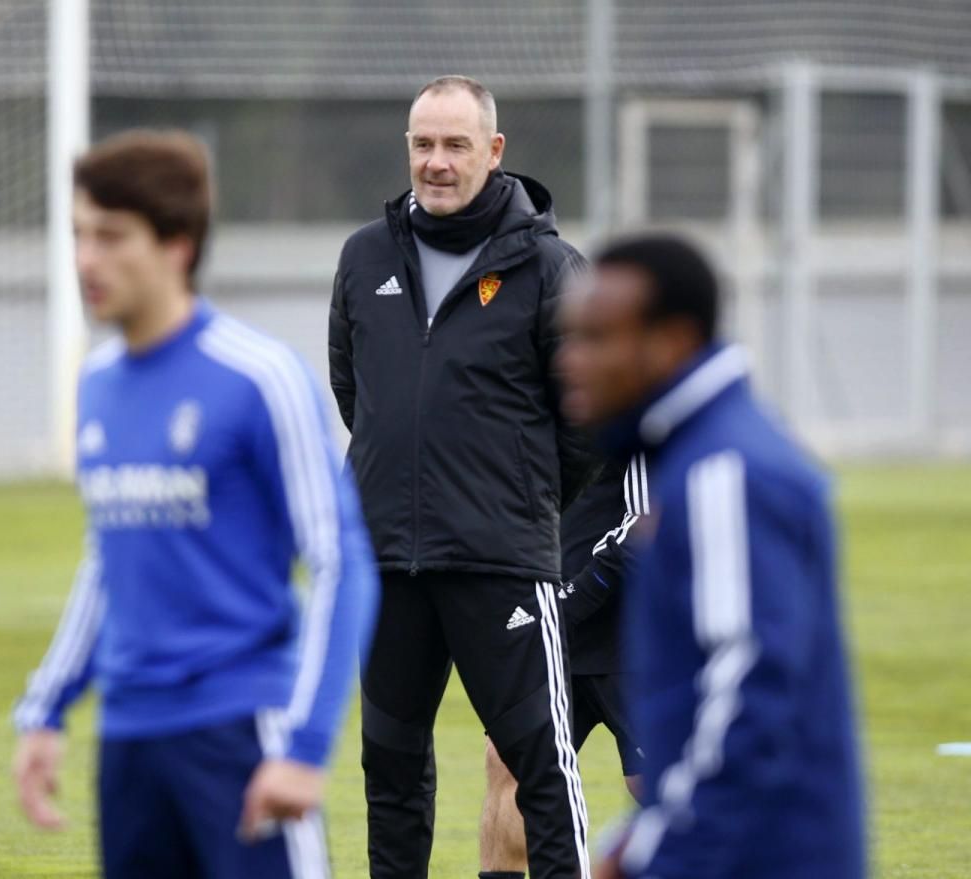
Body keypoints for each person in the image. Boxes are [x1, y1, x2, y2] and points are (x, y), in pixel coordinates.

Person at [11, 130, 379, 879]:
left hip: (242, 735)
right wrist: (46, 709)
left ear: (178, 243)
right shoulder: (99, 382)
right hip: (129, 741)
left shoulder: (259, 378)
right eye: (79, 235)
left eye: (112, 238)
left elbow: (341, 563)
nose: (86, 260)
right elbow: (108, 561)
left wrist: (306, 748)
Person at [329, 74, 599, 879]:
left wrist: (513, 500)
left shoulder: (552, 269)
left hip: (500, 561)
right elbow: (359, 397)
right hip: (385, 561)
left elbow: (584, 426)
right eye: (422, 144)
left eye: (455, 145)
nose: (436, 162)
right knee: (391, 772)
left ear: (494, 151)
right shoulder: (364, 256)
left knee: (543, 769)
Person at [558, 233, 866, 879]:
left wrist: (652, 849)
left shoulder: (722, 471)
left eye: (596, 337)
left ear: (670, 342)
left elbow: (748, 693)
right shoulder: (710, 449)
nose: (570, 360)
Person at [479, 454, 647, 879]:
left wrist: (571, 601)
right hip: (548, 636)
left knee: (656, 786)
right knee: (508, 765)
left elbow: (643, 524)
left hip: (631, 642)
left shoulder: (630, 411)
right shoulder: (529, 405)